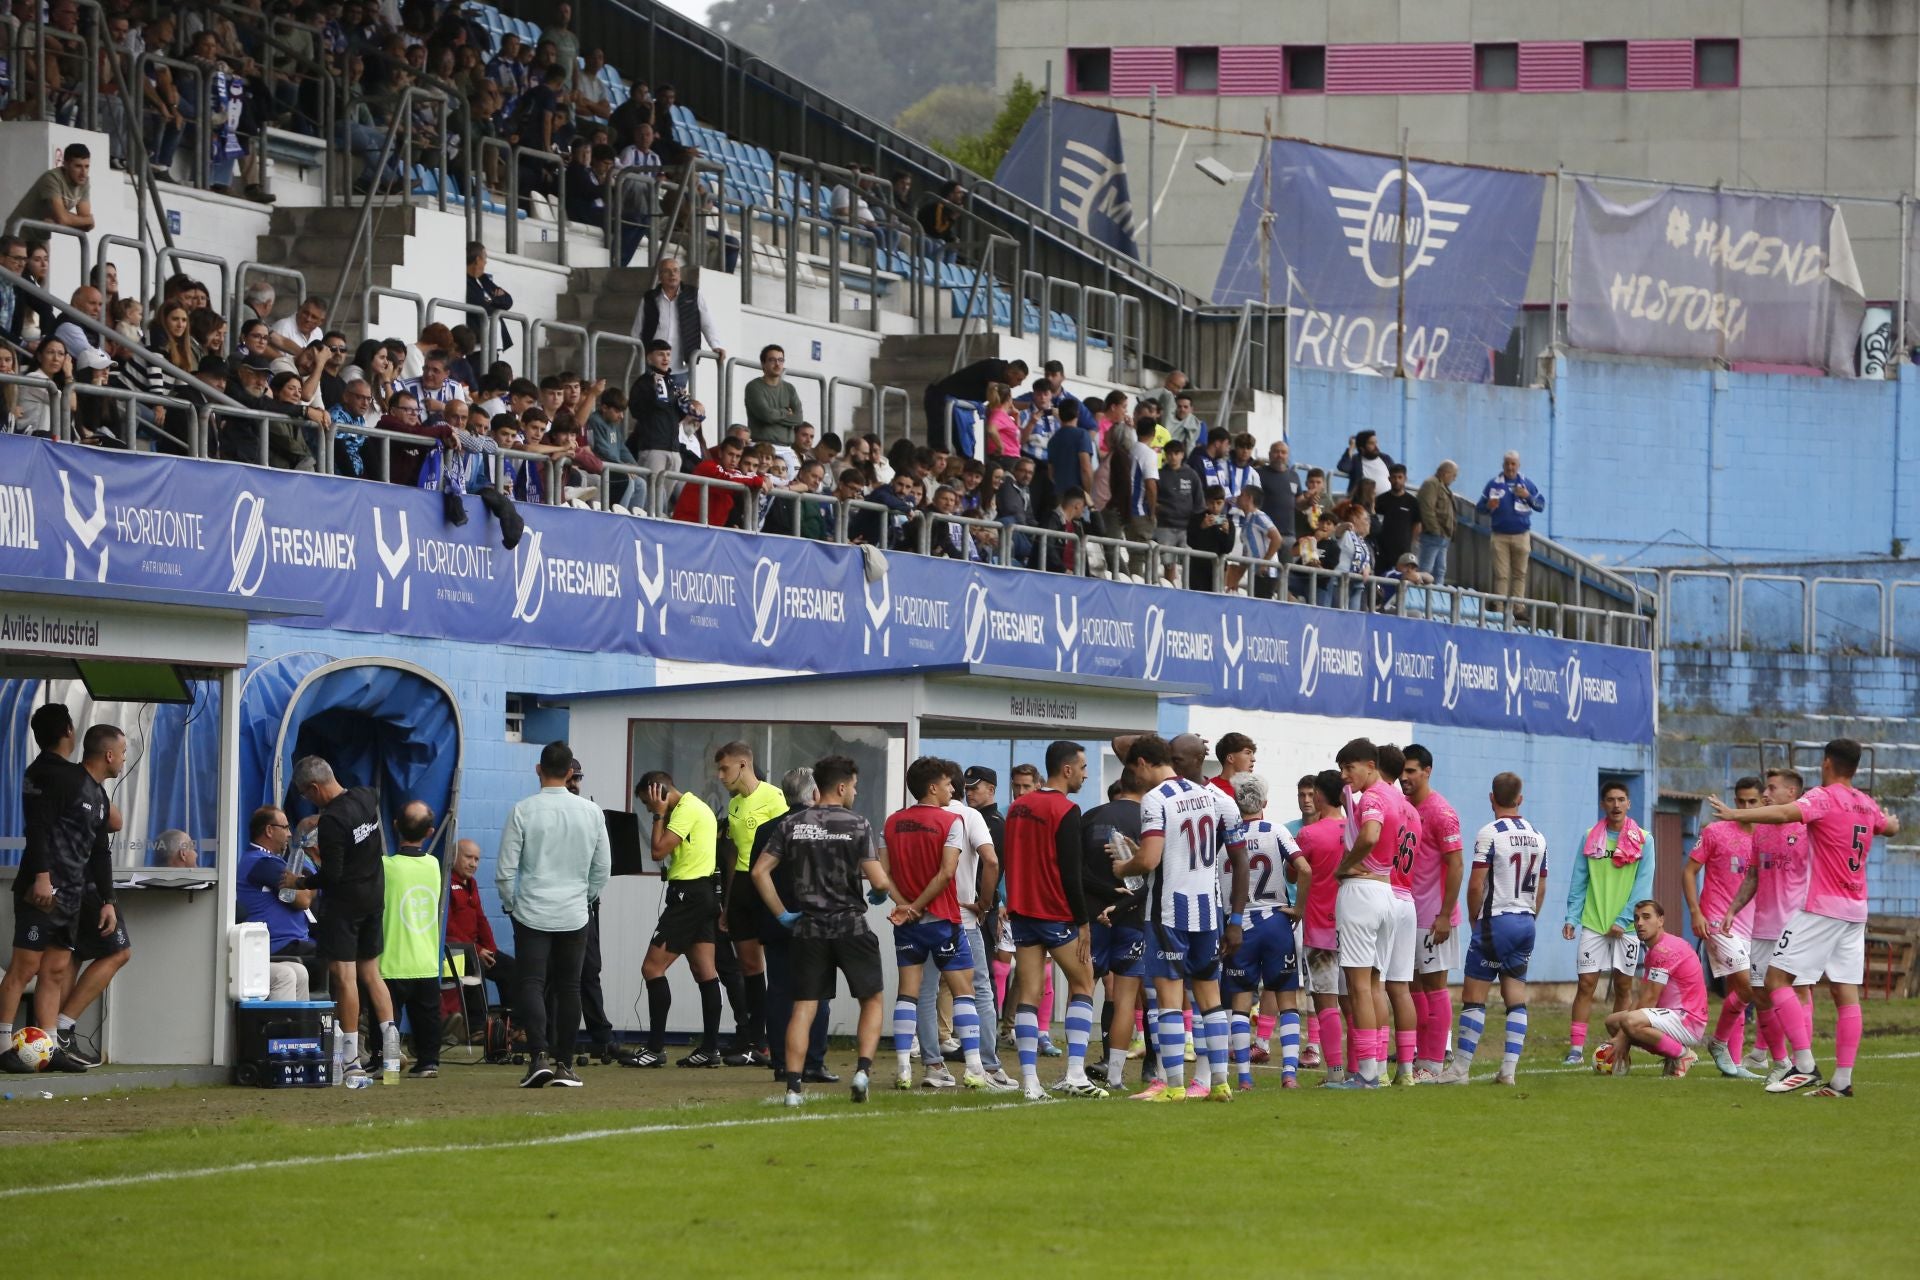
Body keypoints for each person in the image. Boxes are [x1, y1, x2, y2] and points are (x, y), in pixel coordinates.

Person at [1709, 738, 1899, 1097]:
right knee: (1846, 994)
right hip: (1856, 910)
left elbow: (1783, 813)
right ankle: (1842, 1082)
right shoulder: (1865, 803)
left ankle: (1805, 1065)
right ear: (1856, 767)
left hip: (1822, 907)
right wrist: (1892, 822)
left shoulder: (1823, 797)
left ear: (1827, 763)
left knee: (1777, 979)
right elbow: (1887, 827)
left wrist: (1737, 815)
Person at [1111, 734, 1250, 1101]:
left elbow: (1150, 859)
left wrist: (1123, 865)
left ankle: (1172, 1087)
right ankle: (1219, 1083)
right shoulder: (1213, 797)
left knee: (1169, 999)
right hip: (1208, 912)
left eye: (1132, 769)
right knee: (1210, 998)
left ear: (1143, 764)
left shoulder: (1156, 800)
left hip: (1169, 911)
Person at [751, 755, 896, 1106]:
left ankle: (793, 1088)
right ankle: (861, 1072)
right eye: (855, 786)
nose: (856, 793)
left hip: (808, 929)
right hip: (850, 925)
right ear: (842, 786)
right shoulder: (858, 824)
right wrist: (878, 892)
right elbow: (878, 881)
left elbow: (759, 873)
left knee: (804, 1006)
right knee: (872, 999)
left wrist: (783, 914)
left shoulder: (793, 824)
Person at [0, 711, 117, 1075]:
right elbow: (38, 828)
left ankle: (48, 1046)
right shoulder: (52, 774)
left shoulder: (89, 786)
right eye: (123, 750)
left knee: (54, 969)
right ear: (69, 730)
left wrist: (109, 900)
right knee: (26, 966)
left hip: (71, 894)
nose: (124, 756)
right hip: (43, 890)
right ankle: (3, 1043)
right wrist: (41, 876)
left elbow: (100, 847)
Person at [497, 741, 612, 1089]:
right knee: (570, 986)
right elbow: (602, 868)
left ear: (538, 770)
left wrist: (511, 904)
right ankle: (565, 1064)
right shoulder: (592, 812)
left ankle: (538, 1058)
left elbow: (505, 871)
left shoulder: (522, 810)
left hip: (531, 910)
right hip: (575, 912)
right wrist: (587, 897)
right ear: (569, 773)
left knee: (531, 983)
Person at [998, 739, 1107, 1102]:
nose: (1086, 774)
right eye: (1084, 767)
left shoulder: (1017, 807)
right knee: (1084, 981)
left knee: (1028, 993)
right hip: (1055, 911)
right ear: (1067, 769)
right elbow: (1071, 872)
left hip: (1022, 912)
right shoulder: (1065, 809)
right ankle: (1075, 1073)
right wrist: (1084, 920)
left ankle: (1030, 1081)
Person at [290, 755, 399, 1088]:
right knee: (372, 974)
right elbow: (355, 828)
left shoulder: (334, 822)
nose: (309, 801)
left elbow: (332, 876)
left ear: (313, 787)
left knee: (344, 976)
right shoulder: (367, 796)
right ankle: (392, 1059)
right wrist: (318, 819)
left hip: (346, 905)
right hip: (373, 896)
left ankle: (351, 1062)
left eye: (308, 796)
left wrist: (300, 881)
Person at [882, 758, 990, 1090]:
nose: (953, 789)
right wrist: (915, 906)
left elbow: (883, 874)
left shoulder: (892, 822)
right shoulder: (951, 820)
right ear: (932, 787)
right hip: (943, 919)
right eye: (947, 784)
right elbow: (946, 874)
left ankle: (904, 1070)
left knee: (909, 994)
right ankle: (974, 1068)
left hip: (907, 924)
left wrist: (904, 906)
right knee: (964, 992)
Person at [1439, 771, 1548, 1085]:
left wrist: (1475, 920)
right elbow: (1541, 886)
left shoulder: (1489, 833)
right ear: (1520, 799)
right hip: (1526, 922)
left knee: (1474, 996)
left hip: (1495, 921)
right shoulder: (1538, 835)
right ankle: (1509, 1071)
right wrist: (1530, 917)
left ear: (1491, 798)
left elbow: (1475, 885)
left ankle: (1459, 1070)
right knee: (1516, 994)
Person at [628, 769, 724, 1069]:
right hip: (703, 893)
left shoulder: (685, 809)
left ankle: (655, 1048)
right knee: (704, 970)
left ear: (659, 793)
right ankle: (710, 1049)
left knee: (652, 967)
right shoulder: (697, 806)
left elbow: (658, 851)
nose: (648, 808)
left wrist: (658, 816)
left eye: (648, 802)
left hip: (689, 897)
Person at [1221, 774, 1309, 1090]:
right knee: (1286, 999)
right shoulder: (1276, 831)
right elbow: (1305, 868)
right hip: (1274, 921)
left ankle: (1244, 1077)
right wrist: (1299, 909)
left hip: (1239, 923)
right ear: (1265, 804)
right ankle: (1289, 1074)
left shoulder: (1225, 838)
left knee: (1240, 1003)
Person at [1325, 737, 1404, 1089]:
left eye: (1349, 767)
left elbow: (1370, 835)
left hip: (1362, 893)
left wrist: (1344, 866)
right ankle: (1378, 1071)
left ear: (1370, 765)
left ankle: (1368, 1072)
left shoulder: (1371, 797)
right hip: (1387, 889)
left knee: (1358, 986)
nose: (1345, 775)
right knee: (1375, 984)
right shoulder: (1396, 797)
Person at [1562, 780, 1655, 1065]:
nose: (1616, 805)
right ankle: (1575, 1050)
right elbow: (1580, 879)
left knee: (1624, 986)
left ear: (1628, 804)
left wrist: (1625, 919)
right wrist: (1571, 917)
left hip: (1626, 927)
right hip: (1594, 923)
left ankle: (1617, 1047)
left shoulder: (1644, 839)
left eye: (1621, 800)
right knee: (1586, 984)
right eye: (1611, 800)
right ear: (1603, 804)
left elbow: (1643, 886)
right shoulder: (1590, 837)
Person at [1683, 777, 1766, 1079]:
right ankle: (1719, 1044)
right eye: (1741, 801)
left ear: (1762, 803)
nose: (1745, 807)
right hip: (1718, 923)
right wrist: (1695, 912)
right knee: (1746, 986)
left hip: (1756, 926)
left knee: (1740, 992)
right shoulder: (1715, 832)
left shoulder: (1768, 836)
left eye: (1752, 802)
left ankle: (1733, 1062)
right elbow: (1690, 872)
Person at [1736, 768, 1811, 1077]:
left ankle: (1801, 1061)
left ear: (1791, 793)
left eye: (1771, 788)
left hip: (1796, 924)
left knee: (1800, 990)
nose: (1765, 794)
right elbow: (1753, 875)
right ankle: (1775, 1060)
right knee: (1761, 993)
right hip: (1763, 925)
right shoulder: (1761, 831)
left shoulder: (1809, 829)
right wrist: (1732, 910)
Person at [716, 742, 786, 1067]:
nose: (720, 776)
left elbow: (786, 847)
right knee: (749, 968)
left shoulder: (773, 797)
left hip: (766, 885)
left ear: (743, 765)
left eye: (724, 769)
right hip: (742, 887)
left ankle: (776, 1040)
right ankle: (755, 1040)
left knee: (773, 963)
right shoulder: (733, 805)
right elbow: (732, 857)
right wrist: (728, 903)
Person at [1399, 744, 1465, 1082]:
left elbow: (1456, 865)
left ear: (1427, 771)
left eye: (1411, 771)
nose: (1404, 777)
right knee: (1410, 987)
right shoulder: (1403, 808)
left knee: (1435, 987)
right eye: (1402, 771)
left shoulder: (1441, 812)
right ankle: (1416, 1058)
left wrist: (1445, 913)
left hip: (1434, 916)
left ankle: (1433, 1063)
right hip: (1407, 914)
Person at [1601, 901, 1708, 1078]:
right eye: (1636, 918)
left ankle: (1682, 1055)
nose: (1639, 923)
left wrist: (1622, 1037)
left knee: (1629, 1022)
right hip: (1671, 1015)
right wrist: (1622, 1032)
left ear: (1661, 920)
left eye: (1646, 917)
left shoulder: (1665, 950)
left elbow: (1650, 999)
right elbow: (1644, 995)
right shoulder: (1654, 951)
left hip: (1687, 1020)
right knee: (1613, 1021)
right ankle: (1666, 1056)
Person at [382, 802, 445, 1079]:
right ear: (430, 832)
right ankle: (429, 1062)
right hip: (426, 958)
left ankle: (386, 1059)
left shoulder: (387, 866)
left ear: (395, 825)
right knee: (428, 1018)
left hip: (392, 959)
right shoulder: (433, 865)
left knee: (386, 1018)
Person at [1292, 770, 1347, 1082]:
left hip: (1320, 927)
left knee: (1326, 1002)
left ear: (1321, 796)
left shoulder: (1310, 835)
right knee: (1357, 999)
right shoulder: (1358, 829)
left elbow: (1292, 873)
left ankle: (1336, 1072)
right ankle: (1367, 1067)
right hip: (1353, 926)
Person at [238, 806, 316, 1002]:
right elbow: (303, 900)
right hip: (278, 945)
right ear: (269, 830)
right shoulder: (262, 862)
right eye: (286, 828)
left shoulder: (272, 861)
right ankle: (342, 1022)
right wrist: (309, 877)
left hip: (291, 943)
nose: (289, 834)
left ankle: (305, 1029)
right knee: (337, 959)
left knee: (336, 954)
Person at [630, 257, 723, 388]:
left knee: (677, 404)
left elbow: (706, 322)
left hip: (681, 366)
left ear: (680, 274)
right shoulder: (650, 297)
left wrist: (716, 345)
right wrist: (643, 358)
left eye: (675, 270)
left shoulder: (693, 295)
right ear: (660, 276)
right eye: (667, 271)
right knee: (656, 403)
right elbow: (636, 331)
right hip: (653, 366)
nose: (672, 274)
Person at [447, 838, 514, 1013]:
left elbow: (481, 919)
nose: (473, 864)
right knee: (475, 966)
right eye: (468, 857)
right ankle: (478, 1027)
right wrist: (477, 950)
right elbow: (448, 925)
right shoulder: (444, 882)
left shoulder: (472, 884)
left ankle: (512, 1025)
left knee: (511, 969)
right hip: (456, 951)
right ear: (454, 856)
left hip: (478, 950)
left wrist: (490, 950)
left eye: (477, 859)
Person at [1476, 451, 1546, 614]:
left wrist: (1528, 496)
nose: (1510, 467)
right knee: (1501, 574)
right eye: (1507, 463)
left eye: (1513, 464)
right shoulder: (1493, 484)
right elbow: (1480, 507)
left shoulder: (1527, 483)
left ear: (1518, 466)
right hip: (1499, 536)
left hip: (1522, 536)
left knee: (1520, 574)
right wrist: (1488, 506)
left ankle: (1518, 608)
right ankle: (1499, 608)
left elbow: (1541, 506)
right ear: (1503, 465)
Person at [925, 356, 1029, 455]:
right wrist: (999, 412)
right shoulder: (995, 367)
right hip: (940, 397)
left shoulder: (1001, 377)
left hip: (956, 404)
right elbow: (992, 394)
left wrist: (1025, 407)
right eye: (1019, 379)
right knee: (939, 439)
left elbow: (1002, 402)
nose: (1019, 384)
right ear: (1010, 373)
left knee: (963, 444)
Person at [7, 144, 94, 246]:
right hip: (19, 233)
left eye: (87, 166)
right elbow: (64, 219)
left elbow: (88, 225)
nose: (83, 173)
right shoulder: (52, 178)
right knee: (20, 261)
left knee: (43, 262)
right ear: (65, 164)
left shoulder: (84, 182)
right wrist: (64, 219)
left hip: (42, 236)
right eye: (78, 166)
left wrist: (63, 219)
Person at [743, 343, 806, 446]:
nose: (777, 364)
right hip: (762, 446)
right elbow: (767, 416)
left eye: (780, 360)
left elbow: (798, 419)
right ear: (763, 364)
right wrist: (785, 411)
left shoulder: (789, 388)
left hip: (787, 447)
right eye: (772, 360)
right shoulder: (753, 387)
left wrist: (773, 415)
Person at [1415, 460, 1458, 584]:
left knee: (1440, 570)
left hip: (1443, 537)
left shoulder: (1443, 487)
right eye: (1453, 475)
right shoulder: (1431, 484)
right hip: (1433, 536)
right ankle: (1422, 598)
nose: (1454, 479)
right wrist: (1435, 530)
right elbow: (1426, 508)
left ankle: (1437, 597)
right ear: (1446, 473)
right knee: (1425, 569)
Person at [1373, 463, 1423, 570]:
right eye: (1394, 477)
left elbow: (1417, 524)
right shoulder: (1381, 500)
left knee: (1401, 580)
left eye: (1400, 477)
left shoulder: (1412, 502)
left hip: (1403, 550)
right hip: (1382, 550)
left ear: (1405, 479)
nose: (1397, 480)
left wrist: (1411, 542)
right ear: (1389, 479)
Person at [1336, 428, 1394, 496]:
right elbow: (1343, 467)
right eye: (1371, 443)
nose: (1376, 446)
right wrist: (1351, 447)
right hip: (1364, 503)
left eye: (1376, 442)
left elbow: (1396, 474)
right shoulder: (1356, 460)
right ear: (1362, 448)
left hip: (1388, 501)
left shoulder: (1385, 458)